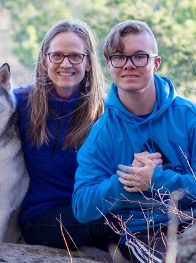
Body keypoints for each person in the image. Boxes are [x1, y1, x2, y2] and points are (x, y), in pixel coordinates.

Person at [73, 20, 196, 262]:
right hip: (146, 232)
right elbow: (82, 206)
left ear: (155, 62)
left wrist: (157, 180)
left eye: (140, 56)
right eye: (119, 57)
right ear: (108, 64)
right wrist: (124, 182)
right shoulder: (102, 134)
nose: (129, 65)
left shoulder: (188, 116)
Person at [14, 19, 120, 252]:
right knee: (118, 222)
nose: (66, 64)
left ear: (89, 63)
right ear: (44, 61)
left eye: (75, 56)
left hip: (90, 208)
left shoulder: (104, 113)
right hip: (41, 217)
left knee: (137, 216)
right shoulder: (20, 103)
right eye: (57, 56)